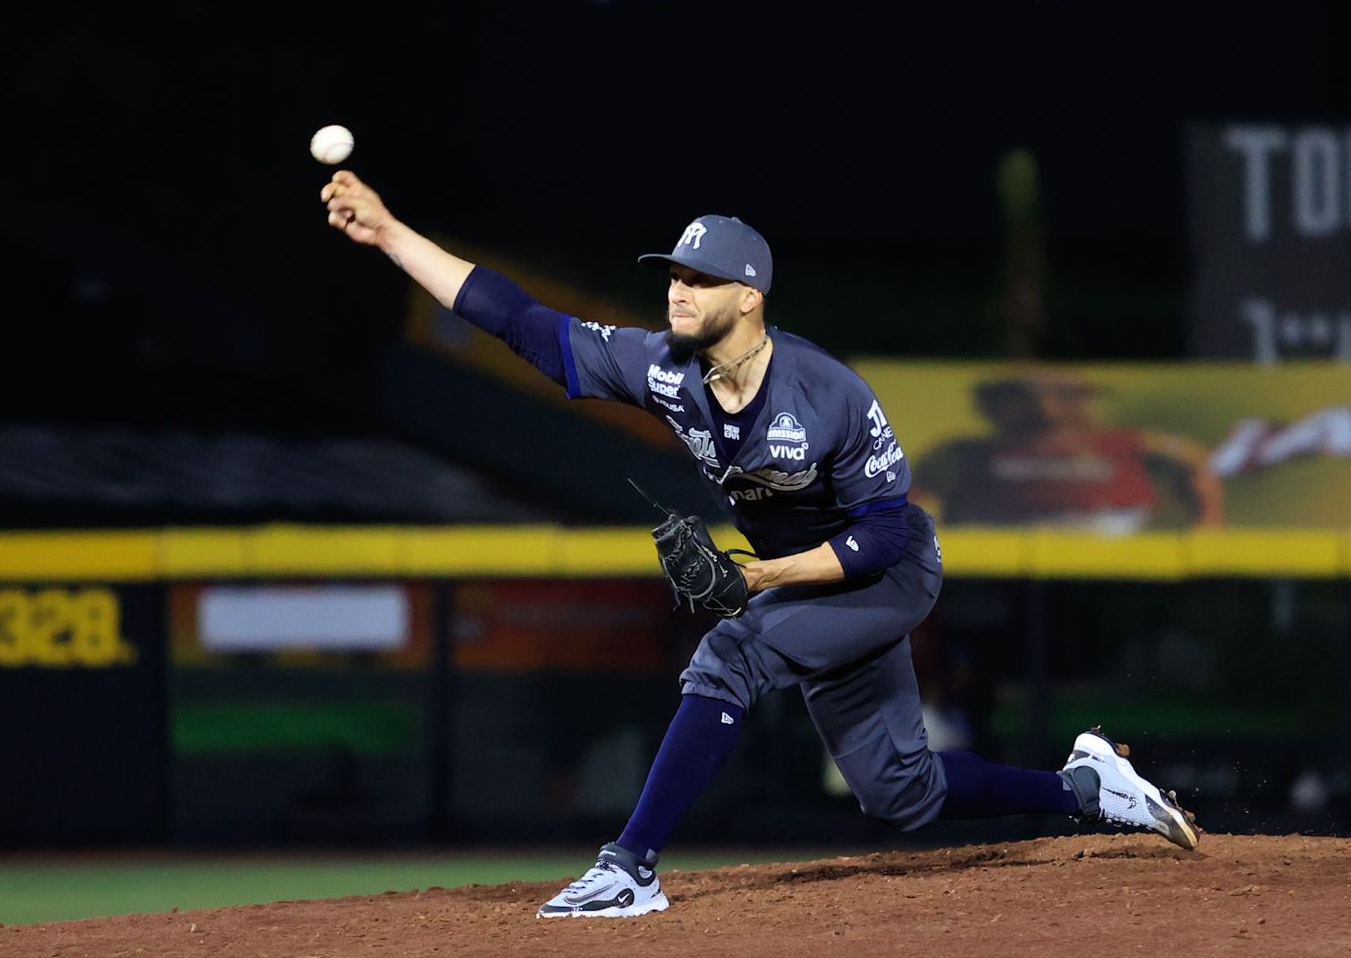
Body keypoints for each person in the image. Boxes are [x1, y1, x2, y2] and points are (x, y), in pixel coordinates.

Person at [320, 172, 1198, 918]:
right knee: (901, 793)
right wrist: (391, 232)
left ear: (749, 296)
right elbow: (522, 324)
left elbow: (888, 528)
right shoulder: (664, 366)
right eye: (671, 274)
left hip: (888, 573)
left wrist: (762, 577)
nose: (677, 291)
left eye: (698, 278)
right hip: (812, 587)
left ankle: (629, 868)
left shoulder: (826, 394)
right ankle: (1085, 787)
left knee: (732, 654)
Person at [915, 373, 1224, 533]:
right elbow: (906, 495)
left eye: (1071, 398)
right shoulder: (967, 453)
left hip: (1109, 558)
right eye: (1026, 399)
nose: (1048, 409)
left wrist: (1207, 531)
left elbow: (1196, 465)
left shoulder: (1128, 446)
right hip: (996, 555)